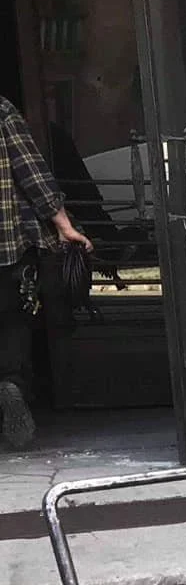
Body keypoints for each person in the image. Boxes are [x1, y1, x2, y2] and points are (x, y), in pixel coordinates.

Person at [1, 93, 93, 448]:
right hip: (7, 246)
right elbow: (32, 173)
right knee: (12, 320)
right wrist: (64, 225)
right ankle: (10, 382)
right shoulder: (2, 111)